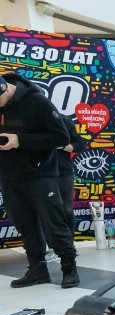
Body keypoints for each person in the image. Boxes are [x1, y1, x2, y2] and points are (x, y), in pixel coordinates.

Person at [0, 74, 79, 288]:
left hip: (39, 175)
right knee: (26, 226)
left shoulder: (37, 102)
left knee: (54, 223)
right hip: (8, 177)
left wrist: (20, 141)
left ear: (4, 89)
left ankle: (69, 268)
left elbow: (61, 138)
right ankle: (38, 270)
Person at [57, 114, 85, 239]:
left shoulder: (63, 120)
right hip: (39, 172)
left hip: (63, 171)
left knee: (67, 209)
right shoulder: (31, 120)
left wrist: (64, 146)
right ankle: (46, 247)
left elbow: (79, 143)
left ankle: (68, 245)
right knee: (43, 211)